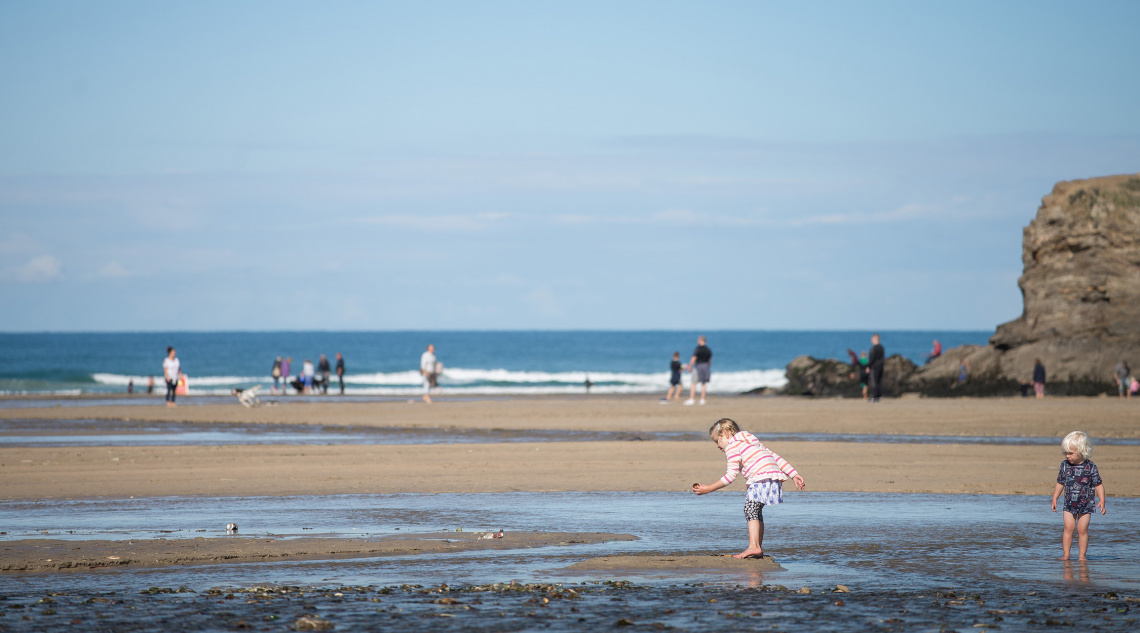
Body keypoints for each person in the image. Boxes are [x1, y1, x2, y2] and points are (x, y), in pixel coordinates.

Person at [693, 418, 806, 559]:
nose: (718, 446)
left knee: (750, 509)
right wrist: (793, 474)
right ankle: (757, 546)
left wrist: (709, 488)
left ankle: (754, 547)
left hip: (760, 478)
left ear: (726, 433)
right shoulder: (750, 441)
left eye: (717, 441)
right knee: (756, 510)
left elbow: (731, 475)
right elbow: (774, 456)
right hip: (772, 477)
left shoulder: (732, 446)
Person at [1051, 431, 1106, 560]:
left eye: (1070, 453)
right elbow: (1060, 482)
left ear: (1082, 451)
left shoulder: (1091, 467)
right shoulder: (1065, 465)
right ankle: (1066, 554)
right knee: (1068, 528)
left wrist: (1102, 500)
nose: (1067, 456)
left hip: (1086, 504)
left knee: (1082, 530)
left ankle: (1082, 556)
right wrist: (1055, 497)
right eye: (1065, 452)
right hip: (1069, 504)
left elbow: (1098, 484)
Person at [684, 335, 712, 406]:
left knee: (693, 383)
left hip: (698, 366)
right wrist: (708, 367)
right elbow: (709, 361)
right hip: (706, 366)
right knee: (704, 383)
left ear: (700, 340)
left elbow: (694, 357)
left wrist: (690, 366)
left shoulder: (698, 349)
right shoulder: (708, 350)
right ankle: (702, 399)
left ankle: (691, 399)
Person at [867, 334, 885, 402]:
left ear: (875, 339)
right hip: (881, 366)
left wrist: (868, 366)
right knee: (879, 382)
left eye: (872, 339)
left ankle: (874, 397)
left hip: (874, 367)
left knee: (874, 382)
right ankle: (879, 396)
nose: (871, 340)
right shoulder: (881, 347)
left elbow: (872, 358)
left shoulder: (874, 348)